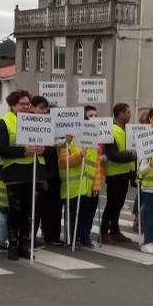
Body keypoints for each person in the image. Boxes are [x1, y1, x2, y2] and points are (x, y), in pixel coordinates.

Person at [0, 90, 45, 260]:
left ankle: (25, 243)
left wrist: (43, 148)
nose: (25, 107)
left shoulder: (36, 121)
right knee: (15, 211)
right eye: (21, 104)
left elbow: (45, 143)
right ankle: (13, 244)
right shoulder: (5, 122)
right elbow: (1, 149)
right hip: (14, 173)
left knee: (29, 212)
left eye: (27, 104)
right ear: (13, 105)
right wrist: (24, 150)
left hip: (32, 172)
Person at [59, 105, 102, 248]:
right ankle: (70, 238)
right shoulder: (66, 142)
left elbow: (96, 165)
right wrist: (79, 155)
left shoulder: (91, 141)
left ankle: (84, 236)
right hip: (72, 186)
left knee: (87, 214)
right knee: (72, 214)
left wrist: (96, 184)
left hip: (88, 186)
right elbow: (64, 162)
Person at [102, 103, 136, 244]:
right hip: (114, 174)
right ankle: (104, 232)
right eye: (127, 112)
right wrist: (131, 156)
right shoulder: (111, 130)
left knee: (119, 204)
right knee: (112, 204)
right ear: (120, 114)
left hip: (125, 173)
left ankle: (115, 230)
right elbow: (112, 155)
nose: (129, 115)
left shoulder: (127, 129)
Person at [31, 96, 63, 246]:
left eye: (45, 109)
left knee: (53, 205)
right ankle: (31, 236)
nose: (44, 111)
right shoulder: (28, 123)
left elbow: (54, 145)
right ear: (33, 108)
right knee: (36, 206)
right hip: (37, 171)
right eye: (41, 108)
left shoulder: (51, 124)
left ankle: (52, 235)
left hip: (52, 170)